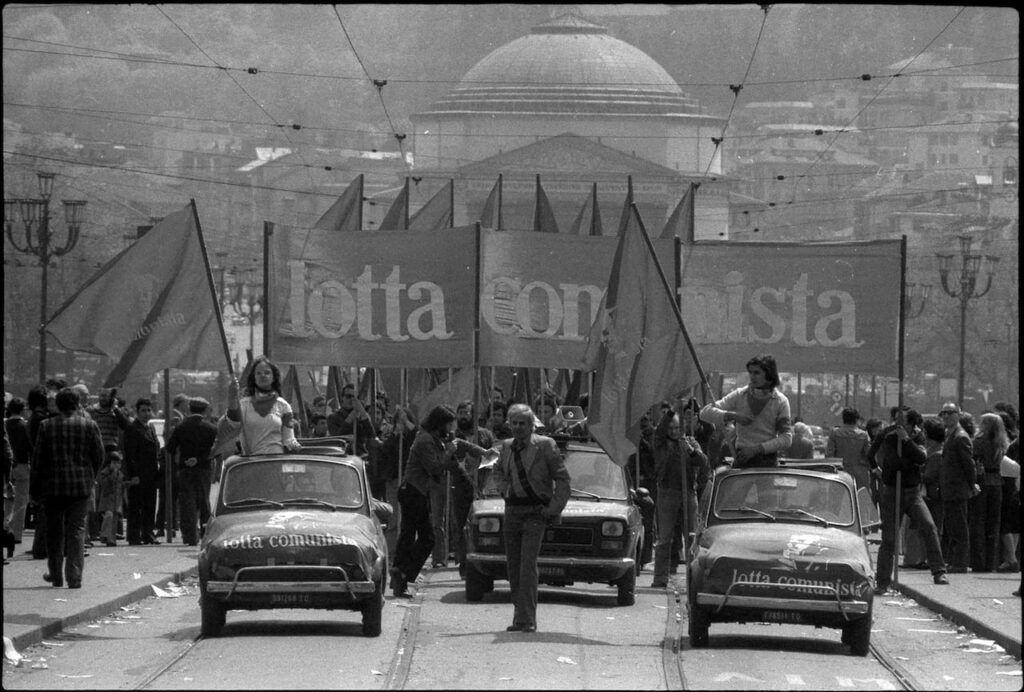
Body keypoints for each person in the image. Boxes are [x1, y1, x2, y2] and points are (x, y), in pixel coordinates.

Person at [391, 405, 491, 597]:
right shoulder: (425, 441)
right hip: (412, 492)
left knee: (411, 537)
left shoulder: (435, 437)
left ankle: (400, 575)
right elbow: (435, 468)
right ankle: (403, 574)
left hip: (419, 492)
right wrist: (448, 452)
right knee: (424, 538)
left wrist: (483, 452)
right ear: (439, 424)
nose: (450, 429)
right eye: (448, 424)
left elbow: (460, 443)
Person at [490, 404, 570, 632]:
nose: (517, 427)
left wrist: (553, 509)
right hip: (512, 511)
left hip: (536, 513)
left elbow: (563, 480)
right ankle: (520, 614)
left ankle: (526, 619)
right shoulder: (506, 447)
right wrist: (504, 489)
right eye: (513, 423)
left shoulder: (546, 446)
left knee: (527, 566)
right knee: (513, 566)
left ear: (532, 425)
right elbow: (496, 471)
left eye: (522, 423)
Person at [29, 387, 105, 588]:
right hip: (80, 488)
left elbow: (37, 461)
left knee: (54, 533)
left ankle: (55, 575)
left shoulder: (46, 426)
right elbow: (99, 456)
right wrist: (91, 476)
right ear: (78, 404)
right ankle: (74, 576)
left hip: (53, 488)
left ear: (59, 405)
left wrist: (34, 490)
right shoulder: (89, 425)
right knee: (77, 532)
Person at [873, 408, 948, 593]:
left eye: (903, 422)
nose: (899, 424)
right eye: (897, 420)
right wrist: (881, 469)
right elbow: (885, 459)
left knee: (929, 526)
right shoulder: (889, 435)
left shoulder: (918, 436)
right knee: (889, 538)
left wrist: (906, 441)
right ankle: (882, 582)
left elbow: (921, 457)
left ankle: (939, 571)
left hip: (912, 492)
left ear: (912, 423)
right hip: (892, 491)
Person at [651, 400, 709, 588]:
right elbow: (660, 428)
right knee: (665, 537)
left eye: (677, 428)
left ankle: (694, 579)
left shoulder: (690, 441)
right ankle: (660, 577)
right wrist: (673, 410)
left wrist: (692, 451)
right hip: (667, 493)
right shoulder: (660, 442)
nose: (674, 432)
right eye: (671, 428)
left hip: (688, 493)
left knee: (692, 537)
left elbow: (703, 462)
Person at [700, 354, 793, 468]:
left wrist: (756, 449)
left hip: (767, 461)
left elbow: (786, 438)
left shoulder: (780, 401)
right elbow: (705, 413)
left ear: (769, 374)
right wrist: (733, 416)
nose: (752, 377)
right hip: (742, 458)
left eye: (757, 373)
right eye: (750, 372)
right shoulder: (740, 395)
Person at [164, 397, 219, 546]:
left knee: (187, 503)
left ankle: (189, 536)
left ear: (190, 408)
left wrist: (183, 459)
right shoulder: (211, 429)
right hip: (204, 469)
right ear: (205, 410)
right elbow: (216, 451)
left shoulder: (181, 427)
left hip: (185, 469)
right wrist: (200, 459)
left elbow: (169, 448)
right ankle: (205, 534)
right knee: (204, 501)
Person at [450, 400, 496, 577]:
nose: (463, 416)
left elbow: (493, 455)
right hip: (461, 484)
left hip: (482, 485)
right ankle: (463, 564)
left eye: (466, 412)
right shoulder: (453, 435)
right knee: (460, 524)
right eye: (460, 412)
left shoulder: (484, 435)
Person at [225, 356, 300, 455]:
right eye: (258, 373)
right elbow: (233, 423)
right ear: (254, 378)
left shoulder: (284, 406)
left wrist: (295, 447)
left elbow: (289, 439)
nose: (263, 375)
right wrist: (232, 398)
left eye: (267, 373)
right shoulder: (244, 404)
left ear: (274, 377)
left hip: (275, 462)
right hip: (251, 463)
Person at [939, 404, 977, 573]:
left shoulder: (961, 437)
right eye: (944, 413)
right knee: (953, 527)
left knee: (959, 527)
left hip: (958, 489)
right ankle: (954, 560)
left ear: (959, 414)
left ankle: (960, 563)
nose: (946, 416)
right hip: (950, 489)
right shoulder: (950, 435)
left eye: (950, 413)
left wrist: (972, 484)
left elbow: (969, 465)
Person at [970, 412, 1008, 572]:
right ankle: (991, 561)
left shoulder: (978, 442)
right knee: (993, 524)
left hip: (983, 481)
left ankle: (978, 561)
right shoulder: (1002, 443)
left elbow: (974, 461)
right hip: (997, 482)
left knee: (978, 521)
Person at [124, 397, 161, 545]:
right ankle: (134, 536)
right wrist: (134, 475)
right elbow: (130, 455)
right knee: (135, 507)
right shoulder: (133, 429)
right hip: (138, 475)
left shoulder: (150, 428)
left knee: (149, 505)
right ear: (137, 411)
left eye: (148, 410)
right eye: (143, 411)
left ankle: (148, 534)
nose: (146, 413)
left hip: (150, 474)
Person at [5, 397, 33, 546]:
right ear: (23, 409)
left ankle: (5, 527)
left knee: (6, 500)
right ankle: (16, 534)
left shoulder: (5, 424)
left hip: (6, 467)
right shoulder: (25, 426)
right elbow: (30, 447)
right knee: (21, 502)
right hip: (22, 465)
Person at [826, 407, 872, 493]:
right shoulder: (863, 435)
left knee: (836, 501)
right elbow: (869, 455)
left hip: (840, 472)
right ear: (856, 419)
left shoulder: (835, 433)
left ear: (843, 419)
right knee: (860, 501)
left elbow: (829, 455)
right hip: (860, 473)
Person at [326, 383, 377, 455]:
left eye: (355, 397)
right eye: (348, 396)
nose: (351, 400)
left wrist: (361, 411)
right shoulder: (333, 418)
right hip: (343, 456)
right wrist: (352, 415)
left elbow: (371, 435)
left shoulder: (363, 416)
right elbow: (338, 437)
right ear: (342, 398)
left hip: (361, 456)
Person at [95, 448, 125, 547]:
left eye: (119, 463)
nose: (117, 465)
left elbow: (121, 485)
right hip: (107, 499)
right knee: (109, 516)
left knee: (114, 520)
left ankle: (111, 539)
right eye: (114, 463)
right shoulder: (105, 472)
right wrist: (113, 474)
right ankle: (104, 534)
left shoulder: (120, 474)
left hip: (117, 501)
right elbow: (104, 484)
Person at [997, 450, 1020, 572]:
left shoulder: (1004, 456)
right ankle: (1011, 558)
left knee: (1005, 526)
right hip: (1014, 490)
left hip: (1008, 491)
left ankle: (1011, 559)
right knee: (1014, 527)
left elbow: (1017, 469)